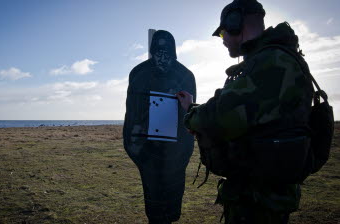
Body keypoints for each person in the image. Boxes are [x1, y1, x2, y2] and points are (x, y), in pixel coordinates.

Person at [176, 0, 314, 223]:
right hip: (265, 192)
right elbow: (245, 109)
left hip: (259, 198)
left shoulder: (271, 62)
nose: (223, 42)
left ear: (234, 24)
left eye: (222, 35)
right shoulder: (277, 59)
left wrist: (191, 116)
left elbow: (220, 117)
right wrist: (193, 106)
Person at [123, 30, 196, 223]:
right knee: (154, 206)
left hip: (174, 154)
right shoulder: (139, 74)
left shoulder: (185, 76)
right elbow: (133, 117)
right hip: (149, 155)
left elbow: (188, 120)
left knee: (171, 206)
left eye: (167, 51)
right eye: (158, 51)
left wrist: (181, 154)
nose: (162, 57)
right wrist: (139, 153)